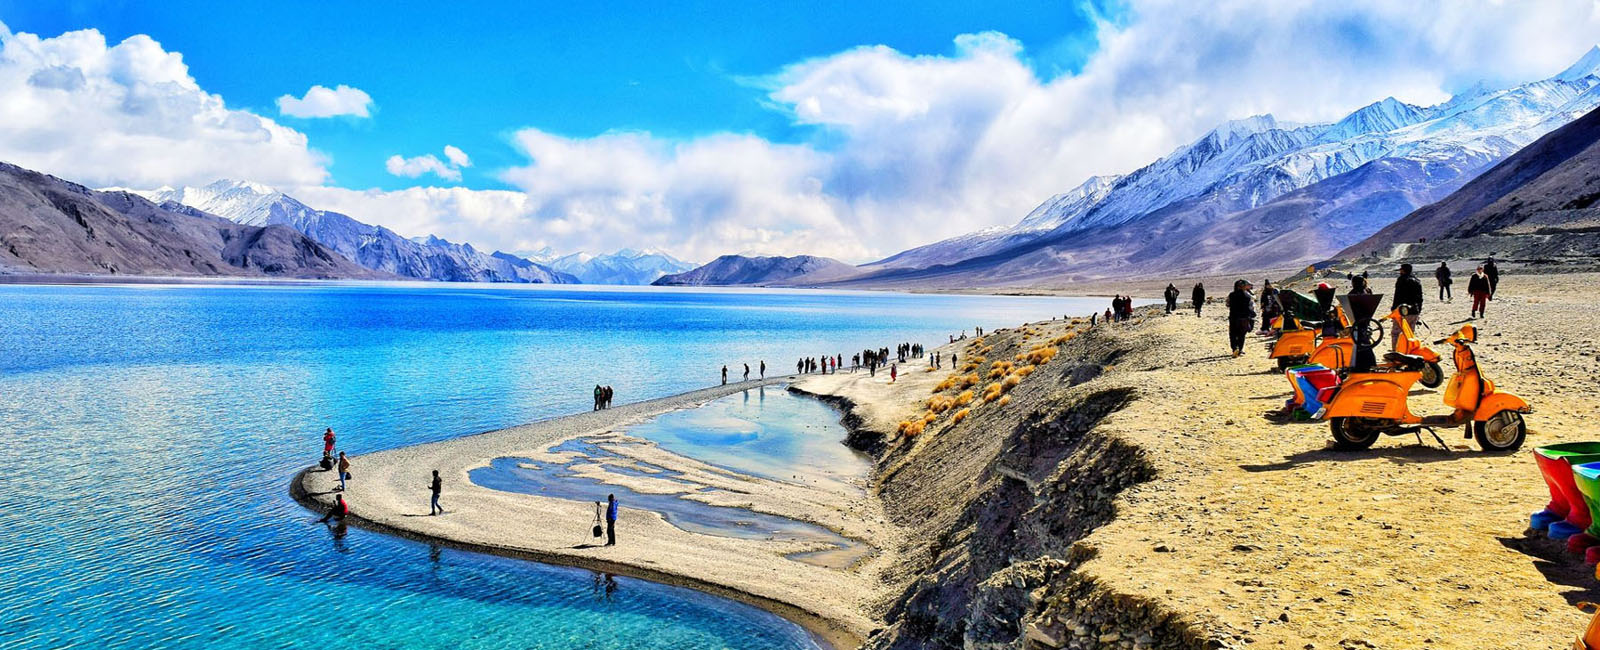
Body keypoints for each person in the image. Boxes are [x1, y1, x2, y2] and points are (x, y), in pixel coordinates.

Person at [1390, 263, 1424, 350]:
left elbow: (1397, 296)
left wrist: (1394, 309)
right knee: (1409, 333)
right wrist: (1418, 311)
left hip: (1402, 311)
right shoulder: (1417, 281)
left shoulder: (1402, 280)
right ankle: (1408, 351)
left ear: (1403, 270)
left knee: (1396, 333)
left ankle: (1396, 352)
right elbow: (1420, 298)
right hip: (1414, 311)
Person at [1226, 279, 1256, 357]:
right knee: (1241, 334)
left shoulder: (1231, 295)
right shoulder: (1247, 296)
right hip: (1244, 318)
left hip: (1233, 317)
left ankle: (1234, 348)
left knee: (1233, 334)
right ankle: (1240, 349)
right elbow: (1251, 307)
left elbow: (1227, 304)